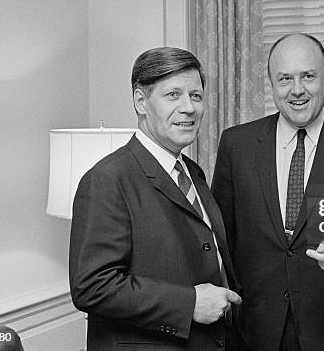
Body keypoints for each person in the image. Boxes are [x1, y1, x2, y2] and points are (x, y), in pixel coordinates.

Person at [212, 33, 324, 350]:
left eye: (308, 76)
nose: (297, 89)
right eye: (285, 79)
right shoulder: (236, 145)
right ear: (271, 83)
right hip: (253, 329)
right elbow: (221, 236)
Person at [69, 47, 242, 350]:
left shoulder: (193, 173)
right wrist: (189, 304)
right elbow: (92, 286)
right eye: (173, 95)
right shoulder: (108, 179)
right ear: (141, 101)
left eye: (196, 96)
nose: (188, 108)